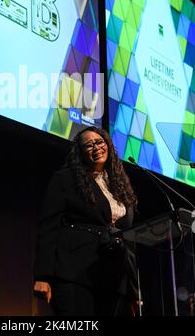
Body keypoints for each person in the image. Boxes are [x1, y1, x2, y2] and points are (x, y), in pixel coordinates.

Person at [33, 126, 138, 316]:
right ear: (80, 153)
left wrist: (133, 291)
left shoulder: (120, 185)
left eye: (99, 142)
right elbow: (48, 227)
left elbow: (129, 242)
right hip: (75, 272)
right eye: (88, 146)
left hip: (113, 279)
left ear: (108, 145)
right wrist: (42, 276)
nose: (96, 148)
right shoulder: (66, 179)